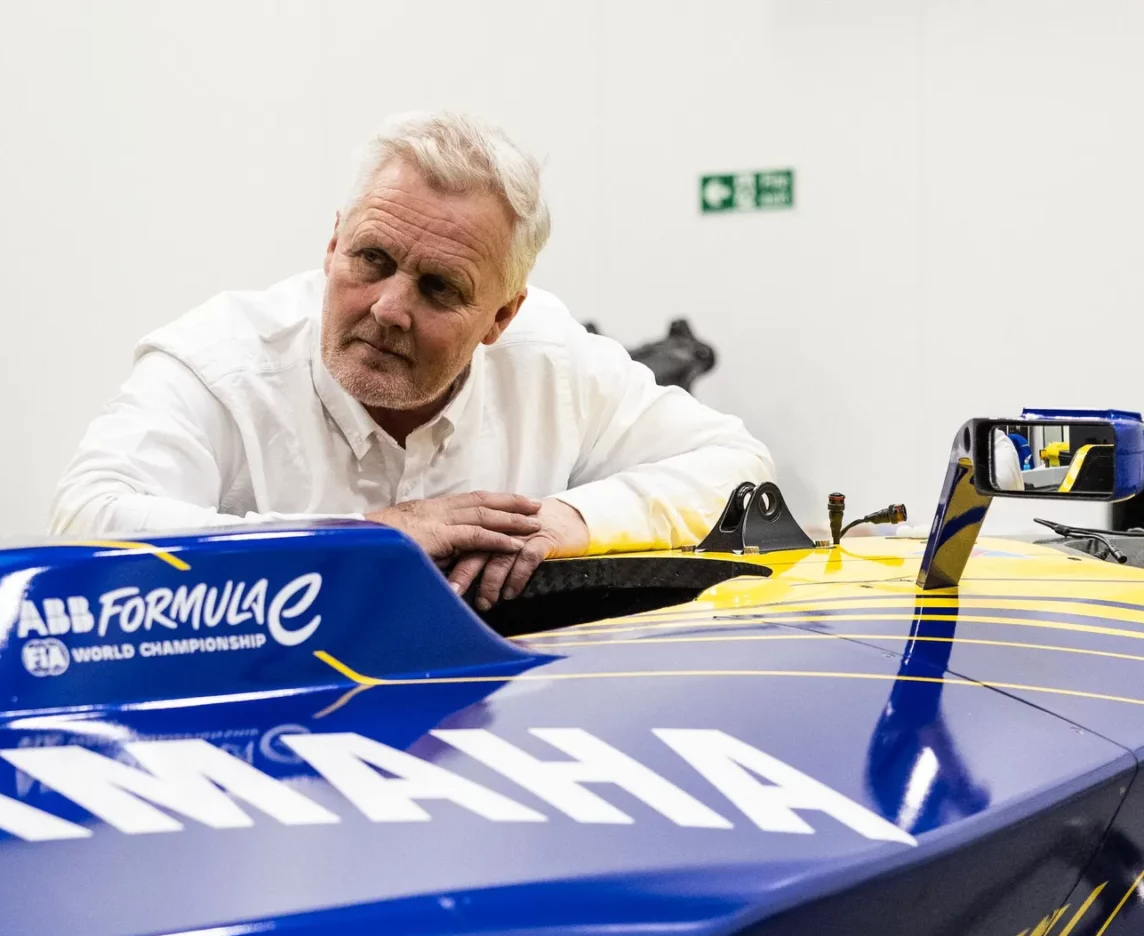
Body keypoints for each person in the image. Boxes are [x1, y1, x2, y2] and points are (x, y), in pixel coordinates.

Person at [51, 111, 773, 608]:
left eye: (439, 288)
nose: (390, 307)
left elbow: (738, 464)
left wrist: (572, 521)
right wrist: (369, 542)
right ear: (333, 244)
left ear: (501, 316)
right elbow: (87, 521)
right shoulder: (220, 363)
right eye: (372, 258)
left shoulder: (549, 358)